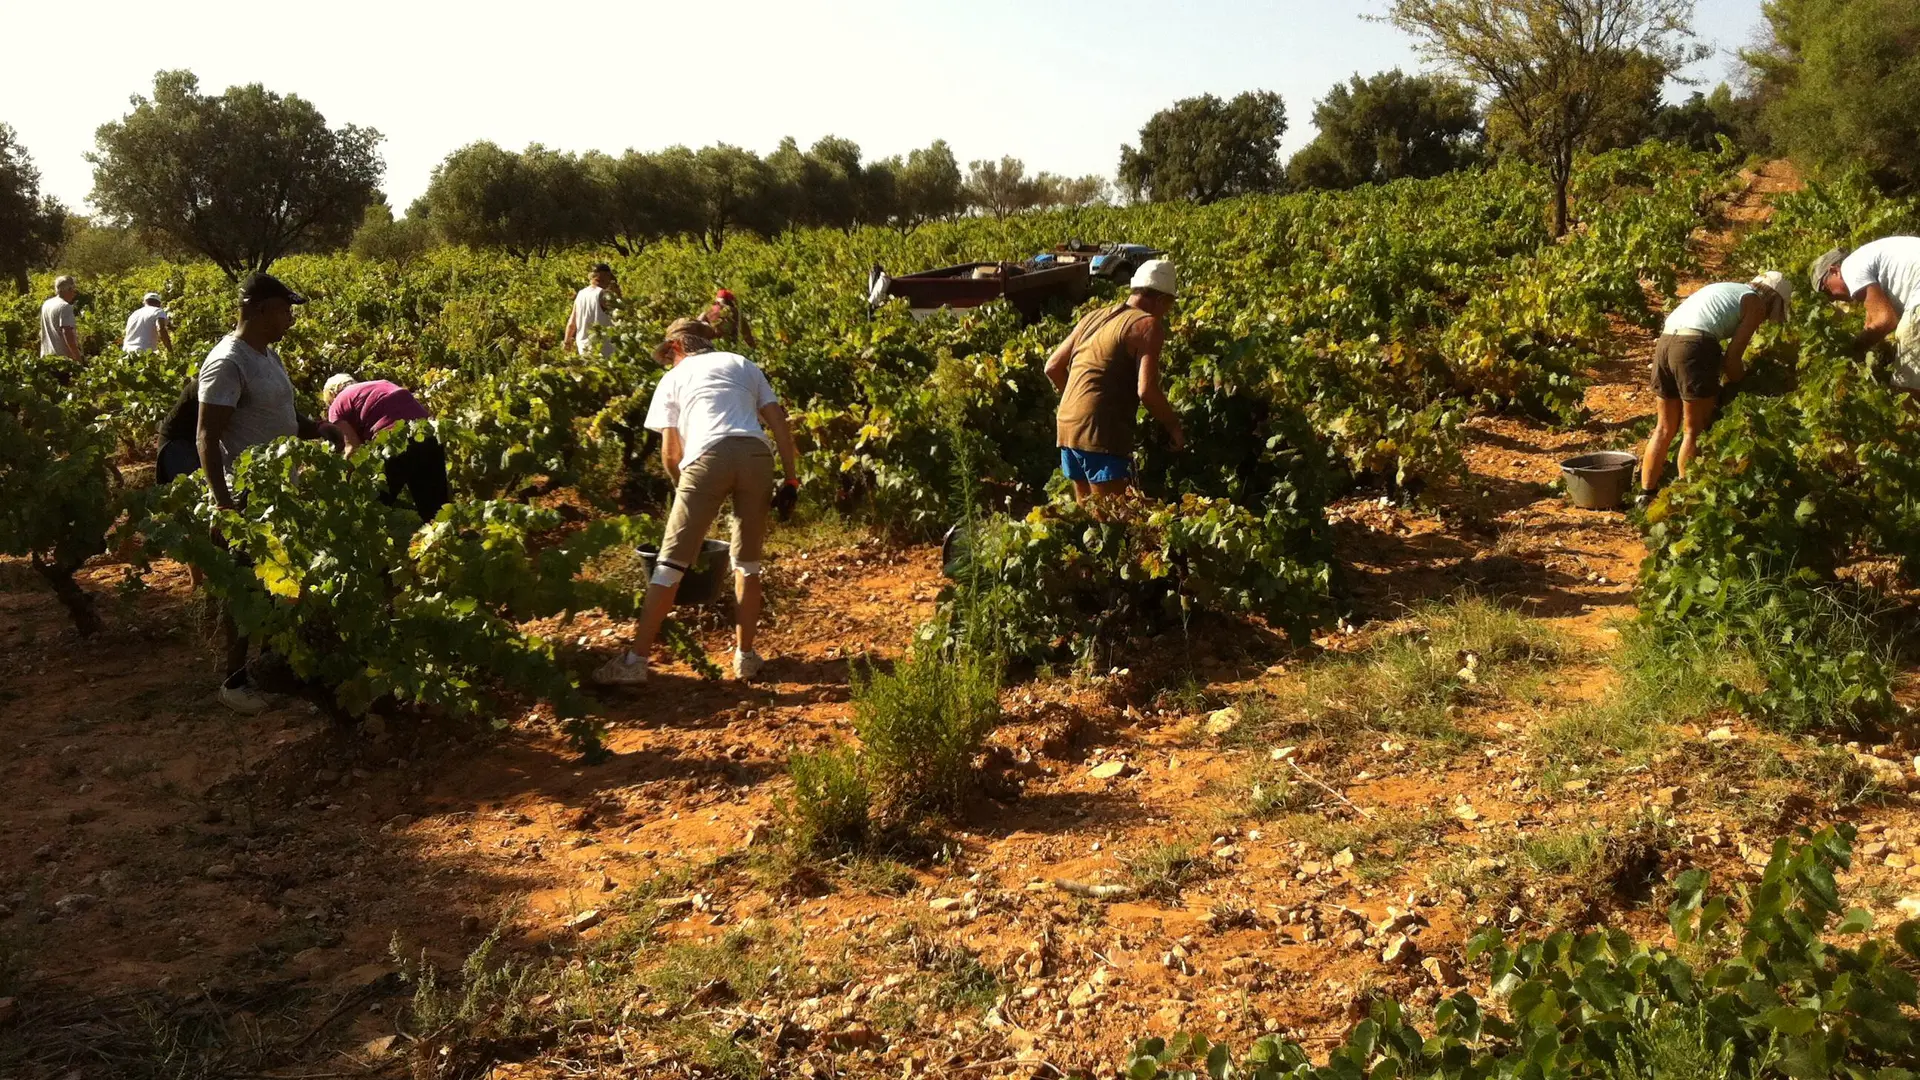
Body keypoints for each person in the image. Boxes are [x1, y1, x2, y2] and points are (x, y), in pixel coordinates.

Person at [595, 319, 800, 686]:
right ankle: (745, 657)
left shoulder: (673, 378)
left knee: (670, 564)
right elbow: (779, 425)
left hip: (706, 457)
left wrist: (685, 492)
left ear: (676, 348)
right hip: (757, 455)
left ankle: (634, 661)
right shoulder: (742, 364)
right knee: (748, 563)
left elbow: (671, 452)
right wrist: (791, 479)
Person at [197, 272, 339, 714]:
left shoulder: (267, 354)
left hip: (283, 492)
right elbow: (206, 436)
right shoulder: (227, 362)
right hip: (247, 497)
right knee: (247, 590)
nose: (290, 319)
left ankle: (275, 671)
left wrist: (320, 429)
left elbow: (283, 415)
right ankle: (235, 683)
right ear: (258, 310)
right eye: (284, 309)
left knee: (282, 583)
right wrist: (224, 506)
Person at [1639, 271, 1794, 496]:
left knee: (1663, 427)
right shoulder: (1756, 304)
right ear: (1775, 299)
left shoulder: (1730, 288)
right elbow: (1732, 359)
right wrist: (1745, 385)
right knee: (1693, 430)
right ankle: (1687, 498)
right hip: (1693, 346)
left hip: (1665, 343)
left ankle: (1645, 494)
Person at [1044, 258, 1185, 501]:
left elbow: (1053, 367)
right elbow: (1146, 391)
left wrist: (1079, 402)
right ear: (1162, 300)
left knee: (1088, 513)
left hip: (1067, 424)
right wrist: (1173, 426)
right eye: (1169, 305)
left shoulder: (1093, 317)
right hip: (1101, 431)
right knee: (1112, 521)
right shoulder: (1147, 325)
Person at [320, 373, 449, 521]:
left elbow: (353, 449)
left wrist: (344, 482)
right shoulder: (380, 384)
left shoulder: (337, 405)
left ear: (332, 395)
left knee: (374, 508)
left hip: (393, 442)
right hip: (428, 435)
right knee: (435, 510)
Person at [1810, 237, 1920, 387]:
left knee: (1905, 386)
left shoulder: (1850, 268)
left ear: (1834, 271)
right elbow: (1871, 322)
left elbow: (1885, 320)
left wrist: (1854, 349)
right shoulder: (1866, 261)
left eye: (1826, 290)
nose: (1831, 298)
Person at [564, 262, 619, 358]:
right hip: (603, 350)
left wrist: (566, 343)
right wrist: (618, 294)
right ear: (606, 276)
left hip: (583, 349)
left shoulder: (581, 294)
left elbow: (571, 323)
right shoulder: (603, 294)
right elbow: (621, 315)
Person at [39, 275, 81, 361]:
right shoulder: (65, 307)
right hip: (62, 360)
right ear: (69, 289)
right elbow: (67, 333)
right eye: (73, 289)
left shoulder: (47, 304)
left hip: (47, 357)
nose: (74, 293)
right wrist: (77, 357)